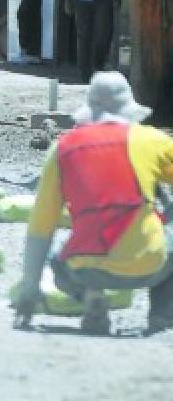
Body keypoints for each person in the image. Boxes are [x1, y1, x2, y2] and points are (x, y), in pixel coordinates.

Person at [11, 71, 173, 336]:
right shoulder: (151, 140)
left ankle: (91, 296)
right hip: (150, 263)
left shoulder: (62, 149)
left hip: (83, 268)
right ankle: (162, 316)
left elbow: (41, 227)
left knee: (57, 258)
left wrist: (29, 290)